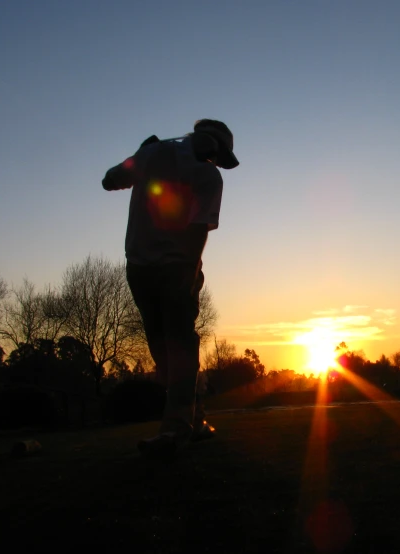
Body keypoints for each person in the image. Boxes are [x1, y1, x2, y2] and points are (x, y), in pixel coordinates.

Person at [102, 119, 238, 457]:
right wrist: (140, 156)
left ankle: (177, 429)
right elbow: (111, 180)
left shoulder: (202, 173)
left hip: (174, 266)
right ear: (208, 143)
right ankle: (197, 418)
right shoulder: (157, 154)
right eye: (219, 155)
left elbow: (198, 228)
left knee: (178, 343)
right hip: (143, 266)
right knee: (163, 351)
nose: (217, 163)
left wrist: (188, 271)